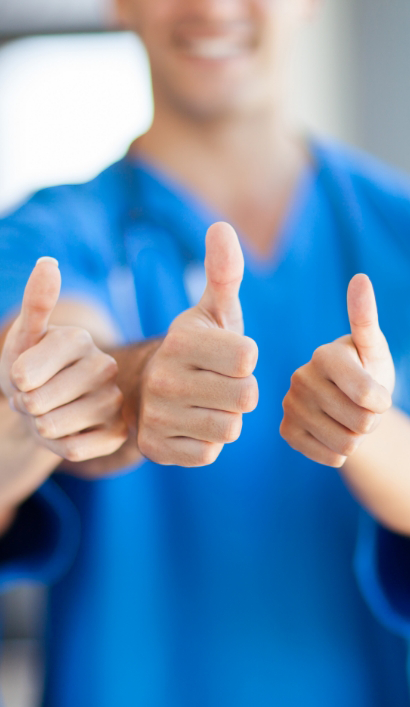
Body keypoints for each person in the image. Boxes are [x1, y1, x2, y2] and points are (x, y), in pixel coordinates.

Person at [1, 0, 410, 705]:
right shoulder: (48, 234)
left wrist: (373, 435)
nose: (213, 5)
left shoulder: (395, 230)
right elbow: (65, 328)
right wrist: (114, 383)